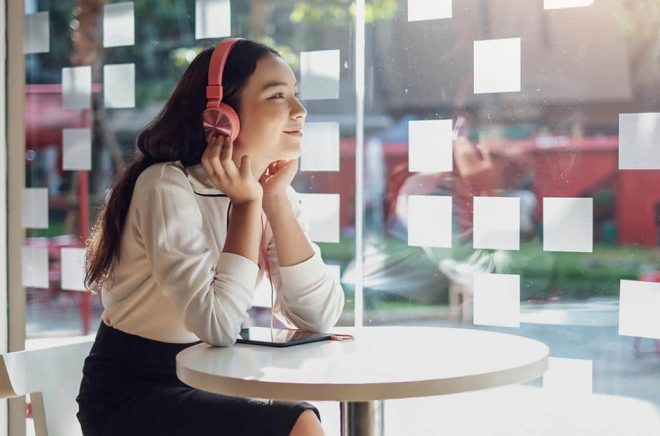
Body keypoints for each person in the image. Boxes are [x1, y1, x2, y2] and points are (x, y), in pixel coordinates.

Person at [76, 37, 345, 436]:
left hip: (213, 379)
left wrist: (274, 201)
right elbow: (217, 325)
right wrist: (248, 206)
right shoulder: (166, 185)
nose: (300, 111)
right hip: (133, 394)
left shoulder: (269, 191)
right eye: (277, 96)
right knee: (299, 423)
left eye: (296, 96)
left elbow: (319, 317)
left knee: (301, 415)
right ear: (221, 116)